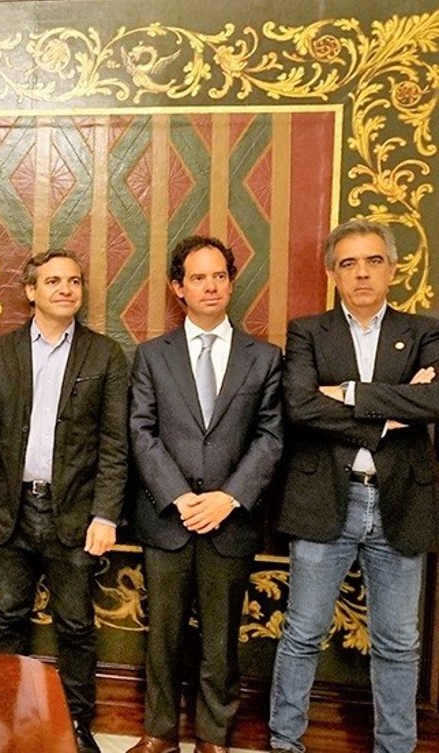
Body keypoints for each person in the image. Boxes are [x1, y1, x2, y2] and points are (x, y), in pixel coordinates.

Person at [269, 220, 439, 753]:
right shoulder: (306, 332)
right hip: (324, 498)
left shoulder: (425, 332)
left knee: (399, 642)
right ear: (332, 273)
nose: (361, 273)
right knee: (303, 633)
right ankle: (285, 742)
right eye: (348, 263)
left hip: (401, 501)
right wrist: (390, 411)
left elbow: (434, 402)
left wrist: (346, 393)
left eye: (373, 261)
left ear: (393, 269)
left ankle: (396, 747)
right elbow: (300, 405)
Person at [0, 248, 127, 753]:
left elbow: (115, 445)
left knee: (75, 626)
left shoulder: (105, 355)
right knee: (7, 617)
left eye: (74, 281)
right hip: (9, 509)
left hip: (74, 512)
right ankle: (2, 721)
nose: (65, 289)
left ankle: (76, 725)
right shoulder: (0, 353)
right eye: (53, 281)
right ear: (31, 291)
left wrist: (105, 514)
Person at [127, 236, 283, 753]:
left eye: (219, 276)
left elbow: (270, 437)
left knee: (221, 638)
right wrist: (178, 495)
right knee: (162, 635)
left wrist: (228, 498)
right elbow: (141, 432)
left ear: (231, 283)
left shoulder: (265, 358)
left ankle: (214, 737)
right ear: (179, 288)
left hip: (230, 520)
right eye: (198, 277)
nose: (210, 286)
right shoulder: (152, 356)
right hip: (167, 518)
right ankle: (159, 732)